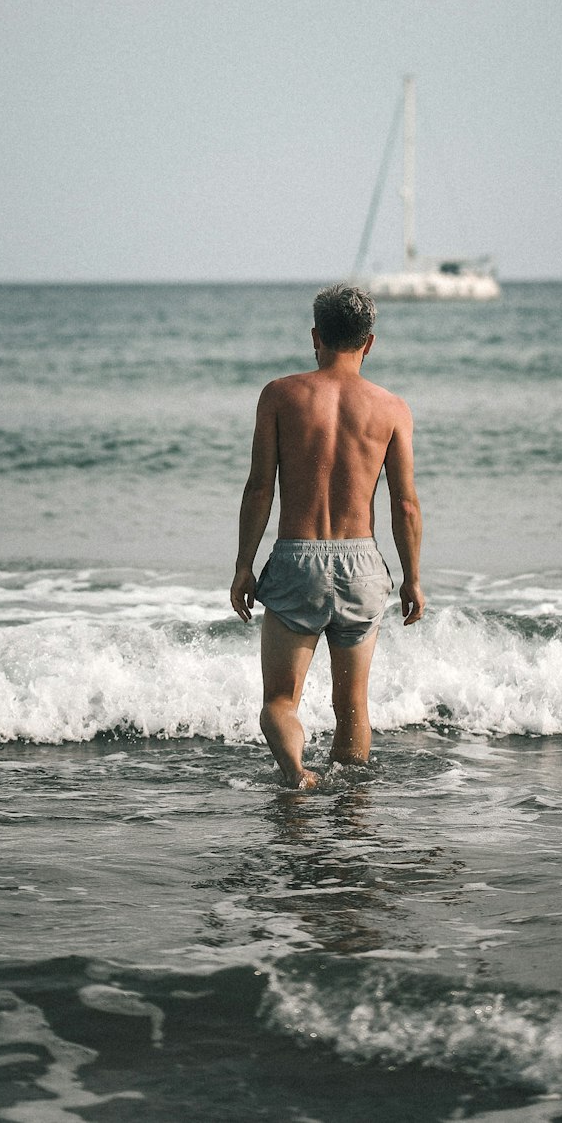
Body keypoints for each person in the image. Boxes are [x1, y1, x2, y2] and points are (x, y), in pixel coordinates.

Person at [230, 283, 424, 788]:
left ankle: (296, 773)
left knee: (279, 701)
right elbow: (404, 504)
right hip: (362, 563)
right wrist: (412, 579)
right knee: (353, 706)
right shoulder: (392, 408)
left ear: (315, 336)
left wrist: (243, 566)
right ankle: (352, 824)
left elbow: (259, 488)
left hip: (296, 559)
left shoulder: (280, 395)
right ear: (370, 342)